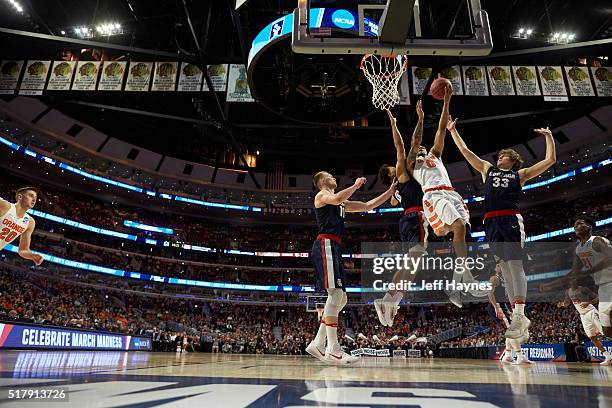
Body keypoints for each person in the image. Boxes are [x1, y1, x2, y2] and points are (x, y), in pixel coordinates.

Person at [447, 117, 556, 339]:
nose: (499, 157)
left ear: (513, 160)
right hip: (491, 223)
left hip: (510, 221)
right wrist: (452, 131)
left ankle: (519, 314)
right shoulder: (487, 169)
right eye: (499, 156)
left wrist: (549, 137)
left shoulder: (520, 174)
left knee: (515, 266)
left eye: (503, 156)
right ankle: (519, 316)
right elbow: (466, 152)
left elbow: (550, 160)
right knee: (505, 269)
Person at [406, 82, 485, 306]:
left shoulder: (435, 154)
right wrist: (420, 119)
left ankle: (454, 287)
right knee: (459, 226)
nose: (421, 147)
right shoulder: (412, 164)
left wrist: (447, 101)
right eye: (419, 148)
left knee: (463, 232)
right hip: (434, 196)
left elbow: (441, 130)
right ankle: (467, 281)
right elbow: (414, 142)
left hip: (451, 194)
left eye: (423, 147)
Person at [306, 171, 397, 365]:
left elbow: (368, 206)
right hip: (325, 244)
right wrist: (355, 186)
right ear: (322, 181)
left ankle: (317, 342)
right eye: (330, 175)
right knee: (336, 294)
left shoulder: (340, 204)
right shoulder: (322, 195)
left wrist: (390, 191)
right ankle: (333, 349)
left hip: (335, 247)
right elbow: (338, 196)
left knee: (342, 298)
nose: (334, 177)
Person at [375, 100, 427, 326]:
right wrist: (394, 123)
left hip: (408, 219)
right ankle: (387, 299)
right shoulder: (402, 174)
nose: (395, 166)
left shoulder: (402, 184)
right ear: (392, 175)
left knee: (412, 266)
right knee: (412, 263)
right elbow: (401, 146)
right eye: (392, 168)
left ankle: (393, 301)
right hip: (415, 216)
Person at [541, 216, 612, 355]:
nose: (576, 226)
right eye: (575, 225)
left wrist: (590, 271)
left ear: (590, 227)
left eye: (580, 223)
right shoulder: (579, 249)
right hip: (603, 287)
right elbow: (573, 273)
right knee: (607, 331)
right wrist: (552, 284)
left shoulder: (597, 241)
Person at [558, 278, 611, 365]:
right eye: (572, 279)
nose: (574, 281)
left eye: (575, 279)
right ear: (569, 282)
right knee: (592, 337)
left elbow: (597, 298)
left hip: (591, 312)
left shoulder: (583, 289)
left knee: (606, 332)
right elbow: (567, 302)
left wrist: (588, 302)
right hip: (583, 315)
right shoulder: (568, 292)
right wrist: (563, 304)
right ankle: (607, 356)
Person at [488, 263, 533, 365]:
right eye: (498, 265)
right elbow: (490, 293)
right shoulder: (494, 278)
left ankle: (507, 356)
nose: (501, 266)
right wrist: (496, 307)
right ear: (496, 268)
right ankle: (520, 356)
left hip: (502, 305)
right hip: (497, 306)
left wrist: (508, 310)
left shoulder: (505, 279)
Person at [0, 187, 44, 265]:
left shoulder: (30, 222)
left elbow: (23, 250)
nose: (34, 199)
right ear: (20, 197)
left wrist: (32, 256)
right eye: (31, 195)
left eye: (35, 198)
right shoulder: (5, 206)